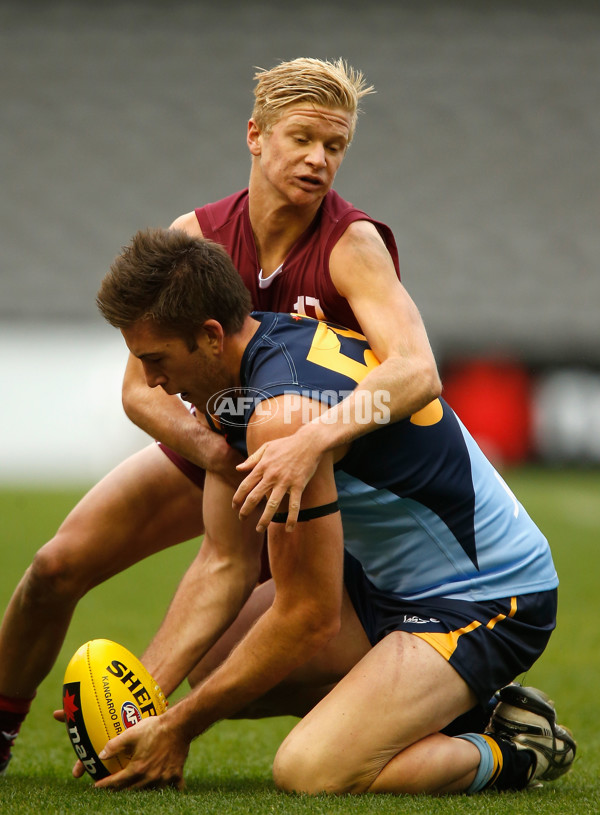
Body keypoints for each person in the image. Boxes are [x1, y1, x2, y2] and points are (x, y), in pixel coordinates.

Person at [0, 57, 441, 775]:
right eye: (302, 139)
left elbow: (417, 370)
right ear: (254, 136)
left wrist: (307, 444)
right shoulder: (197, 237)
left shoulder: (351, 244)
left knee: (236, 653)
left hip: (317, 469)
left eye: (335, 147)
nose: (318, 159)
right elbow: (142, 389)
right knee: (53, 566)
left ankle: (438, 708)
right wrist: (213, 449)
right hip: (222, 448)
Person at [90, 227, 575, 794]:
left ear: (210, 335)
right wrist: (140, 705)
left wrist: (179, 728)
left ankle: (512, 749)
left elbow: (308, 617)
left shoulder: (279, 414)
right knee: (216, 660)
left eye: (156, 359)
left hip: (486, 598)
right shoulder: (238, 382)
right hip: (383, 584)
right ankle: (465, 708)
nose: (152, 381)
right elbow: (224, 562)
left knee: (310, 770)